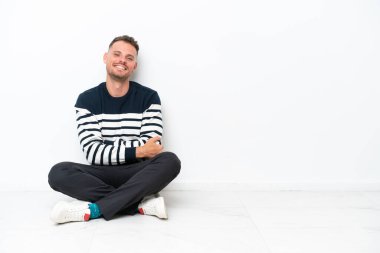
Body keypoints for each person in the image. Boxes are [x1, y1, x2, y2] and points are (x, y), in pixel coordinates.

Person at [48, 35, 181, 224]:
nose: (122, 61)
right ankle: (138, 205)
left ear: (134, 65)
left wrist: (113, 149)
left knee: (170, 161)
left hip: (138, 173)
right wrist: (138, 149)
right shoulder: (87, 100)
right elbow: (93, 153)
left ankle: (94, 210)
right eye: (117, 54)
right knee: (58, 172)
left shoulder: (149, 97)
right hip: (101, 175)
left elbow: (153, 147)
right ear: (106, 58)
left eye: (129, 58)